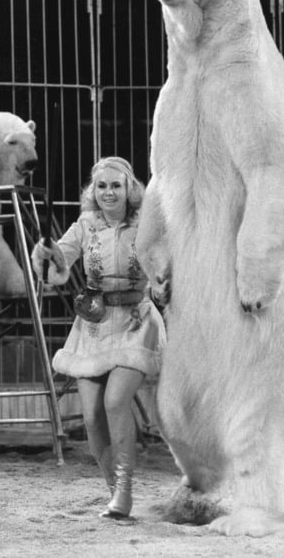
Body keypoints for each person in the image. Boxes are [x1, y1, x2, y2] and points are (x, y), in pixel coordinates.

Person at [31, 156, 164, 520]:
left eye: (116, 185)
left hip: (136, 322)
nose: (108, 192)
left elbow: (165, 263)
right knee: (91, 415)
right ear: (94, 191)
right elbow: (57, 266)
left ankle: (124, 487)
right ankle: (112, 488)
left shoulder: (147, 224)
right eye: (101, 186)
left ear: (129, 189)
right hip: (93, 327)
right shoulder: (85, 225)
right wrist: (46, 256)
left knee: (116, 400)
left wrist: (164, 280)